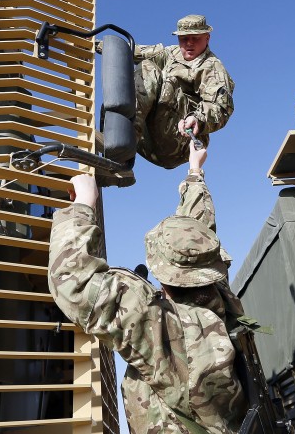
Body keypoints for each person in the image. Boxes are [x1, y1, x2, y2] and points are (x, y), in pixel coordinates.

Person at [48, 142, 249, 433]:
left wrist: (82, 207)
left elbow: (73, 282)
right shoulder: (215, 299)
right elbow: (198, 231)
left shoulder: (172, 331)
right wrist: (195, 170)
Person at [103, 14, 235, 169]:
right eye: (184, 38)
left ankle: (124, 142)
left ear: (207, 38)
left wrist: (197, 118)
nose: (189, 43)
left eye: (195, 38)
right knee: (140, 69)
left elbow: (221, 108)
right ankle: (114, 139)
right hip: (150, 139)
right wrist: (92, 44)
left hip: (181, 142)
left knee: (150, 70)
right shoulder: (171, 54)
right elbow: (134, 51)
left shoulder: (212, 68)